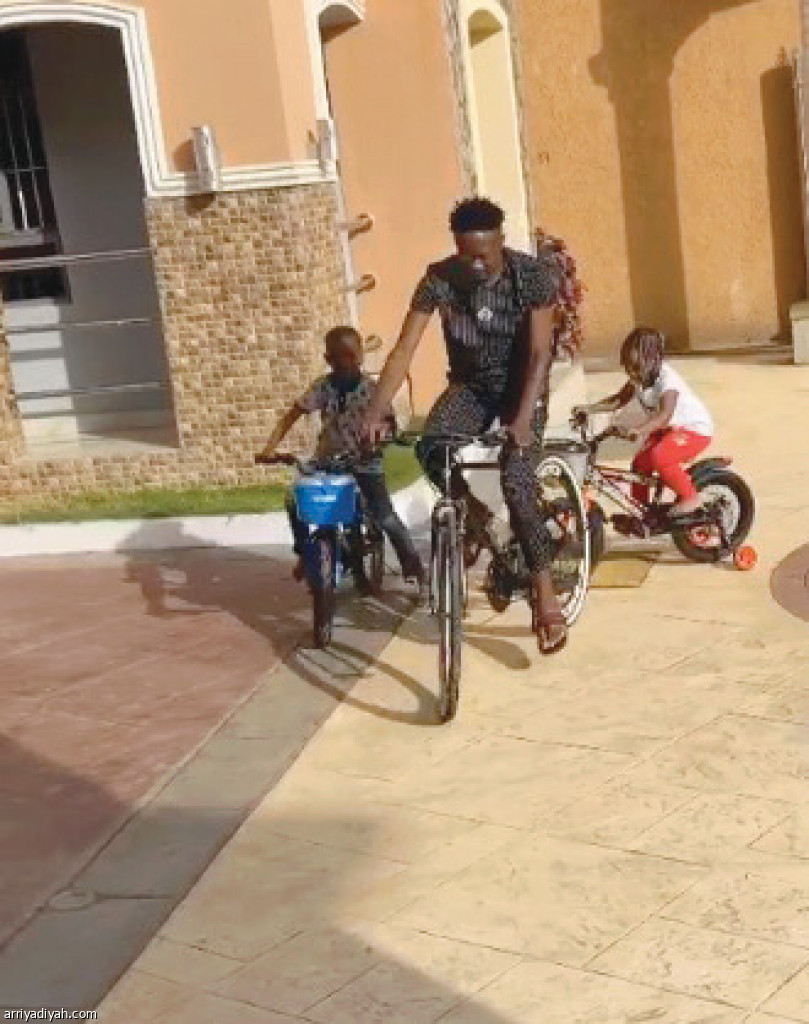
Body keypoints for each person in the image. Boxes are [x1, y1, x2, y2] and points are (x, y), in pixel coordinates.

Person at [363, 197, 568, 655]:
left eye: (484, 256)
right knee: (431, 448)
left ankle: (545, 594)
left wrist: (521, 420)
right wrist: (376, 409)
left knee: (517, 484)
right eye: (466, 255)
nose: (475, 265)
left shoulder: (531, 276)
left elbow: (540, 354)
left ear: (500, 242)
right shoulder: (438, 279)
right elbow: (403, 349)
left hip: (523, 386)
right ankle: (477, 518)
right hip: (471, 387)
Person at [258, 326, 425, 593]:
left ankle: (412, 565)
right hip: (328, 461)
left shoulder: (371, 390)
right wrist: (270, 448)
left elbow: (390, 424)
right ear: (328, 359)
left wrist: (377, 441)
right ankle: (305, 553)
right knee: (295, 500)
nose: (346, 364)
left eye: (351, 357)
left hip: (365, 461)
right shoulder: (323, 387)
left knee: (384, 516)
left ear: (360, 357)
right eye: (338, 359)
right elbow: (292, 415)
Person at [575, 327, 714, 516]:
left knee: (660, 456)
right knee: (640, 464)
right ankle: (640, 511)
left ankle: (690, 497)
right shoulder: (641, 377)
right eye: (628, 367)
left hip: (694, 430)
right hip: (667, 429)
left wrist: (638, 430)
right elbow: (619, 400)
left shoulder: (668, 381)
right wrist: (589, 409)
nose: (632, 373)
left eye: (635, 367)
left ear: (653, 360)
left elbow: (664, 415)